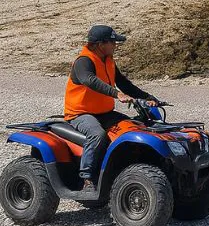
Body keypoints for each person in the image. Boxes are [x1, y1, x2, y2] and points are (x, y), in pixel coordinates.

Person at [63, 24, 158, 192]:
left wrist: (147, 97)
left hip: (104, 113)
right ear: (100, 44)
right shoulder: (83, 61)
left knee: (133, 127)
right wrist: (117, 94)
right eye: (112, 42)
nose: (115, 45)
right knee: (97, 134)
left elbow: (123, 83)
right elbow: (90, 80)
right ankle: (87, 178)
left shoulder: (108, 60)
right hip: (80, 114)